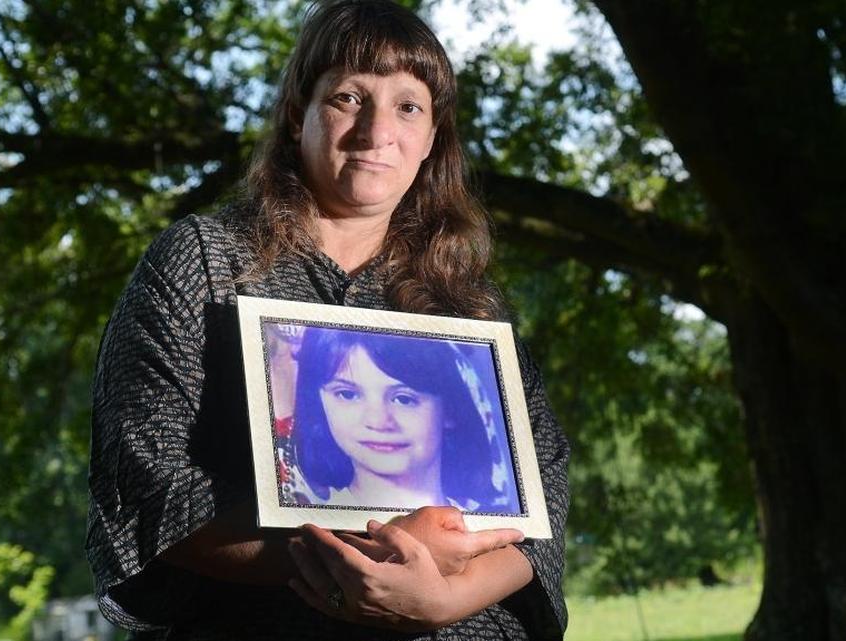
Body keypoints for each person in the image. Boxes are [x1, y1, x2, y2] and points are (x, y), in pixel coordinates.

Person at [85, 0, 569, 639]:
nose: (376, 131)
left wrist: (438, 601)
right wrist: (370, 561)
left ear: (431, 139)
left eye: (408, 106)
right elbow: (145, 481)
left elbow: (542, 499)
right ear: (297, 117)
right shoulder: (203, 262)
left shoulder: (466, 303)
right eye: (348, 98)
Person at [284, 327, 518, 513]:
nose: (377, 421)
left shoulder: (491, 531)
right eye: (347, 394)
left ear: (450, 410)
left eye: (404, 399)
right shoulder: (307, 531)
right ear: (320, 402)